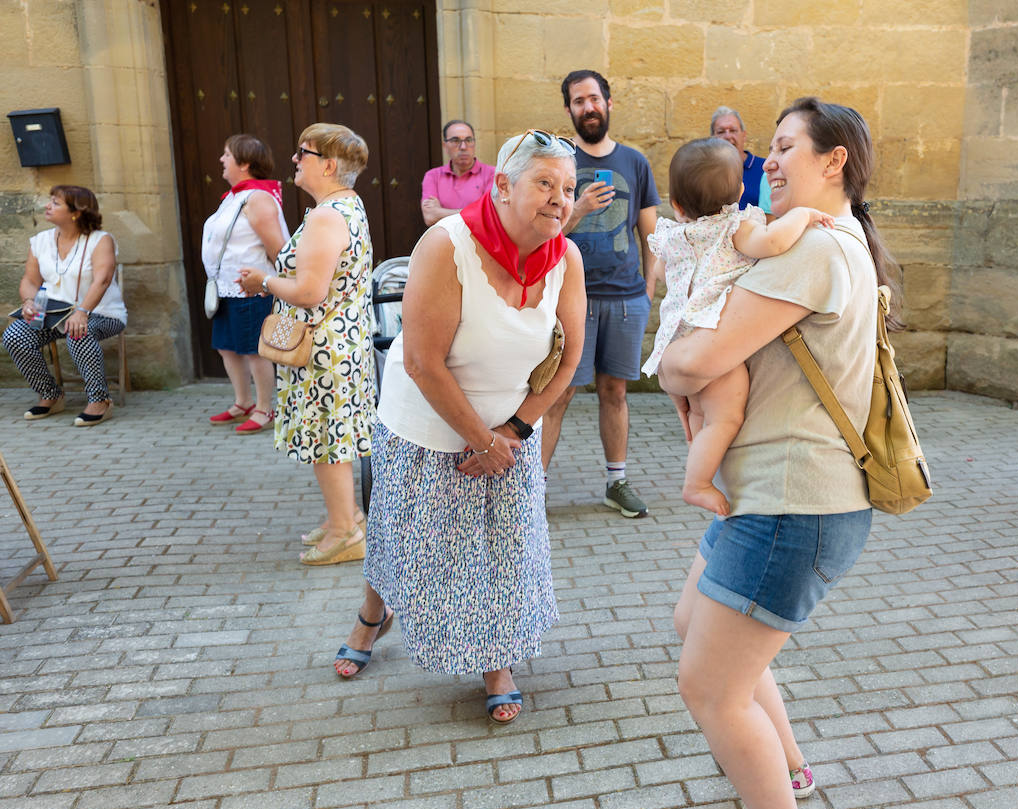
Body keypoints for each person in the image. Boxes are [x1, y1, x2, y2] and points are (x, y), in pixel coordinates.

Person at [657, 97, 893, 809]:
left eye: (789, 148)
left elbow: (697, 361)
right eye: (772, 150)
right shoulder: (836, 240)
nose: (772, 163)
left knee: (710, 687)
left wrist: (670, 365)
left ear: (837, 161)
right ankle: (785, 768)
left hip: (792, 503)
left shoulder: (810, 251)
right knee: (700, 628)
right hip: (771, 496)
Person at [331, 130, 586, 727]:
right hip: (424, 423)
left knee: (505, 547)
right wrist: (481, 438)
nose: (558, 198)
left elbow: (569, 360)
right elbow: (422, 361)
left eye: (568, 188)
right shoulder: (447, 245)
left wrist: (515, 432)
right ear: (503, 186)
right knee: (402, 535)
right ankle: (373, 618)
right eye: (544, 183)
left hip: (511, 432)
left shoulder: (565, 259)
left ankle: (498, 664)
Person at [643, 137, 834, 514]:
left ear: (678, 204)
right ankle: (697, 482)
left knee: (701, 415)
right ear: (742, 190)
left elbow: (661, 271)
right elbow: (774, 242)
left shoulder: (675, 235)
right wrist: (804, 215)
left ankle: (704, 472)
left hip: (678, 336)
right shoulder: (736, 227)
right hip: (712, 336)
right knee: (726, 416)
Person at [238, 123, 375, 566]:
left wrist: (264, 281)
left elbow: (310, 291)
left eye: (304, 153)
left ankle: (344, 532)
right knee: (333, 439)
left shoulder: (326, 215)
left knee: (325, 442)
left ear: (329, 165)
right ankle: (348, 515)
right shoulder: (346, 207)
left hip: (321, 349)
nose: (294, 160)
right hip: (339, 344)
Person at [540, 69, 660, 518]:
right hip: (571, 299)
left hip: (626, 298)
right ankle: (534, 490)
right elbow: (545, 233)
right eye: (578, 101)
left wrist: (648, 291)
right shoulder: (558, 164)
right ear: (569, 110)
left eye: (594, 98)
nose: (587, 107)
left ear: (608, 103)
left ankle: (617, 482)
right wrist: (581, 207)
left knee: (615, 391)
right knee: (557, 393)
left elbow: (651, 236)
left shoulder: (634, 162)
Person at [5, 185, 127, 426]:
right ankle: (51, 394)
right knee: (14, 335)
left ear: (77, 212)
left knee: (78, 332)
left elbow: (102, 279)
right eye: (50, 201)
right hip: (52, 314)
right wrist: (29, 302)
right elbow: (30, 280)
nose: (47, 206)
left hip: (101, 313)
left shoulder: (100, 240)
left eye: (56, 203)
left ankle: (100, 400)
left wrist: (82, 312)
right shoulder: (40, 241)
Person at [202, 134, 289, 434]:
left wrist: (270, 283)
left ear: (245, 163)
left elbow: (278, 249)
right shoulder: (236, 196)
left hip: (250, 288)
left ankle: (266, 408)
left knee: (255, 350)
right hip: (226, 287)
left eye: (227, 155)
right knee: (227, 347)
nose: (221, 160)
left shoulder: (258, 198)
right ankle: (243, 402)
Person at [421, 119, 496, 227]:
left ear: (474, 143)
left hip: (480, 242)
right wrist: (474, 213)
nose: (463, 147)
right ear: (444, 145)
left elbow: (489, 215)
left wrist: (440, 212)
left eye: (468, 140)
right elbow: (430, 217)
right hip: (444, 242)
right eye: (455, 140)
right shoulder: (432, 176)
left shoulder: (492, 174)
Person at [711, 106, 772, 213]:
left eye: (733, 130)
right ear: (712, 138)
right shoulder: (705, 172)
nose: (727, 136)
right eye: (721, 132)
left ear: (743, 135)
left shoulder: (765, 168)